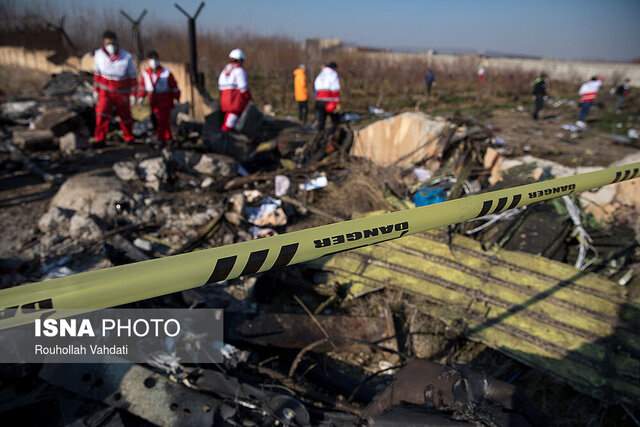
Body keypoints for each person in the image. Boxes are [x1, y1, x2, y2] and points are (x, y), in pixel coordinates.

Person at [93, 30, 137, 146]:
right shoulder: (98, 55)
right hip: (105, 91)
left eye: (113, 43)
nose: (111, 46)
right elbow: (97, 75)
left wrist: (133, 94)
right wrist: (96, 91)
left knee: (125, 116)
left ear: (117, 42)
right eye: (108, 43)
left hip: (122, 92)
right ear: (103, 43)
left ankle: (129, 137)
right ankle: (100, 138)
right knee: (102, 115)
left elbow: (132, 77)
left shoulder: (126, 57)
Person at [136, 50, 181, 143]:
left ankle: (163, 138)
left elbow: (174, 87)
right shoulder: (146, 73)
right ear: (148, 61)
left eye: (155, 59)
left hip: (164, 98)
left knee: (163, 119)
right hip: (152, 99)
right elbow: (142, 86)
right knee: (156, 119)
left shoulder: (166, 73)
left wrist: (176, 97)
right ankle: (165, 137)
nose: (153, 61)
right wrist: (140, 97)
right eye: (151, 59)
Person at [218, 48, 252, 132]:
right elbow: (243, 88)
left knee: (227, 118)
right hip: (235, 101)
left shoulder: (224, 71)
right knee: (230, 123)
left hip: (224, 100)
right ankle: (223, 137)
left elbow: (220, 87)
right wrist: (249, 98)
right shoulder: (239, 71)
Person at [314, 62, 341, 131]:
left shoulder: (320, 74)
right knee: (335, 121)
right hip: (330, 100)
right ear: (334, 68)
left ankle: (320, 136)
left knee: (321, 121)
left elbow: (316, 87)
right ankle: (334, 136)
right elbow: (335, 89)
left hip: (319, 100)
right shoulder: (333, 74)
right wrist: (337, 102)